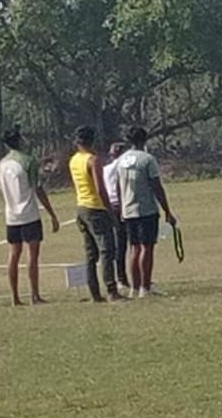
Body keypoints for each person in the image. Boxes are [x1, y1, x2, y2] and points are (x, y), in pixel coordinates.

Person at [0, 127, 60, 306]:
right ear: (19, 141)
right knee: (32, 256)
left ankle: (15, 297)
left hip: (11, 215)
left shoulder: (2, 164)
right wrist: (52, 213)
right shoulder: (28, 161)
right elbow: (38, 189)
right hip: (29, 214)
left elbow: (1, 187)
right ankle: (34, 295)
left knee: (13, 255)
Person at [116, 127, 177, 298]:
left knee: (133, 248)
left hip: (128, 210)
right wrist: (167, 210)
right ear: (144, 140)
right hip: (146, 210)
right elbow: (156, 186)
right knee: (147, 247)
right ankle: (145, 287)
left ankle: (134, 288)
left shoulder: (121, 160)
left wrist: (121, 207)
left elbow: (117, 186)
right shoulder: (147, 159)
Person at [69, 126, 123, 303]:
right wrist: (110, 211)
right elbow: (101, 189)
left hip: (81, 207)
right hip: (95, 208)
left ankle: (95, 293)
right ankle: (111, 290)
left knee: (91, 253)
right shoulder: (93, 160)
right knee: (107, 249)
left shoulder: (74, 160)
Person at [103, 142, 130, 291]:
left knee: (118, 244)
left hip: (110, 206)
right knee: (125, 244)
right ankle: (123, 278)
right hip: (122, 205)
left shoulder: (106, 169)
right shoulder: (123, 166)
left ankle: (120, 277)